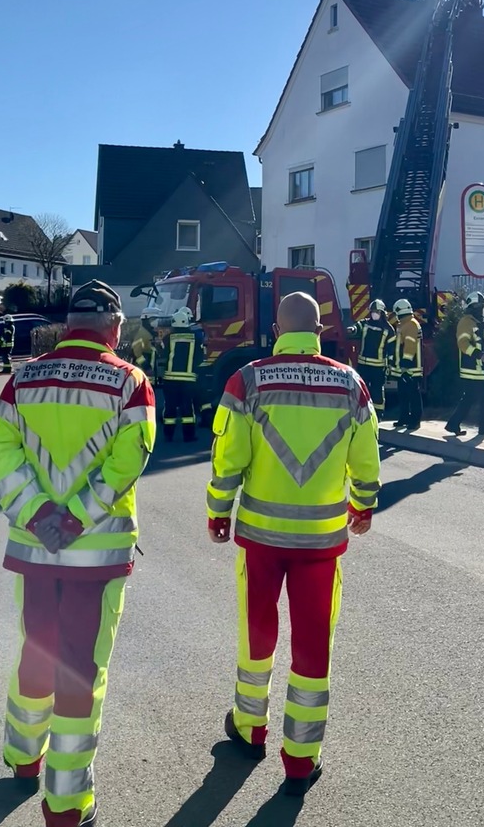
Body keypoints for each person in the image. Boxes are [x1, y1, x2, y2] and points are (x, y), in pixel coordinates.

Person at [0, 279, 155, 827]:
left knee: (38, 648)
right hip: (96, 555)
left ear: (69, 323)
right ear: (115, 327)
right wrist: (77, 516)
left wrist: (39, 515)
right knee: (81, 669)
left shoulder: (23, 378)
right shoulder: (131, 383)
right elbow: (129, 460)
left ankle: (22, 755)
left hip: (37, 549)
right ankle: (66, 802)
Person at [206, 291, 381, 796]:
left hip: (261, 538)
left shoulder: (249, 380)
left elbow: (228, 459)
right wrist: (362, 505)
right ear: (321, 328)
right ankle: (301, 759)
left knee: (257, 635)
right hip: (321, 543)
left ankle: (249, 728)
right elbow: (366, 458)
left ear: (278, 330)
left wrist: (219, 511)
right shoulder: (352, 384)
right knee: (312, 646)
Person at [445, 290, 484, 437]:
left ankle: (481, 427)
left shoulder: (480, 323)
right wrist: (481, 356)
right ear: (473, 307)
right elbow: (463, 343)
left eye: (482, 306)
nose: (481, 309)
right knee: (469, 399)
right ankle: (454, 424)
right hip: (472, 369)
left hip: (483, 369)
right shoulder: (465, 322)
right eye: (479, 307)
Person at [160, 307, 204, 443]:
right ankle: (189, 436)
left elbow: (163, 356)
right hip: (188, 379)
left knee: (170, 407)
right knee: (187, 408)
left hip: (170, 379)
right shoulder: (195, 339)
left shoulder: (168, 338)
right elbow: (200, 358)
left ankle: (168, 435)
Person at [347, 298, 395, 416]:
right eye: (372, 312)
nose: (374, 314)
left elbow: (392, 350)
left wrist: (390, 367)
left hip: (378, 368)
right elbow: (356, 327)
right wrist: (352, 329)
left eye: (377, 312)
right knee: (360, 389)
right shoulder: (365, 323)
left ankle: (378, 414)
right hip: (363, 365)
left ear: (382, 313)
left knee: (377, 391)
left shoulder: (389, 330)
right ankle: (360, 412)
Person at [391, 298, 423, 429]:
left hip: (411, 368)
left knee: (413, 395)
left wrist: (405, 364)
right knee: (403, 395)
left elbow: (410, 345)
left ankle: (415, 421)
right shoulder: (404, 324)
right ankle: (404, 418)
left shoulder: (411, 324)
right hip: (405, 369)